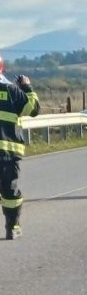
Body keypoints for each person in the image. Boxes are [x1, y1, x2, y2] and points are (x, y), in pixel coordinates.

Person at [0, 52, 40, 240]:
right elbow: (33, 109)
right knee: (9, 192)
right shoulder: (12, 91)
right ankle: (12, 227)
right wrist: (26, 86)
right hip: (8, 154)